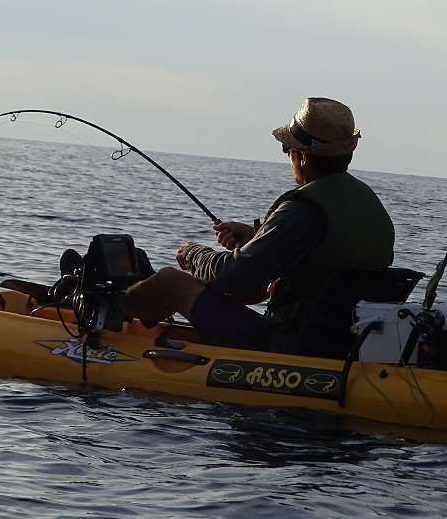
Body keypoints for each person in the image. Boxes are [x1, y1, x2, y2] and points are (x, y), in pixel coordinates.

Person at [123, 97, 395, 357]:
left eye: (288, 150)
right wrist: (256, 239)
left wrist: (193, 255)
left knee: (170, 282)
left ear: (302, 156)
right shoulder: (368, 205)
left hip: (287, 347)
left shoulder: (303, 209)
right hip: (339, 345)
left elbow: (233, 277)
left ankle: (107, 315)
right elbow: (319, 265)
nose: (289, 158)